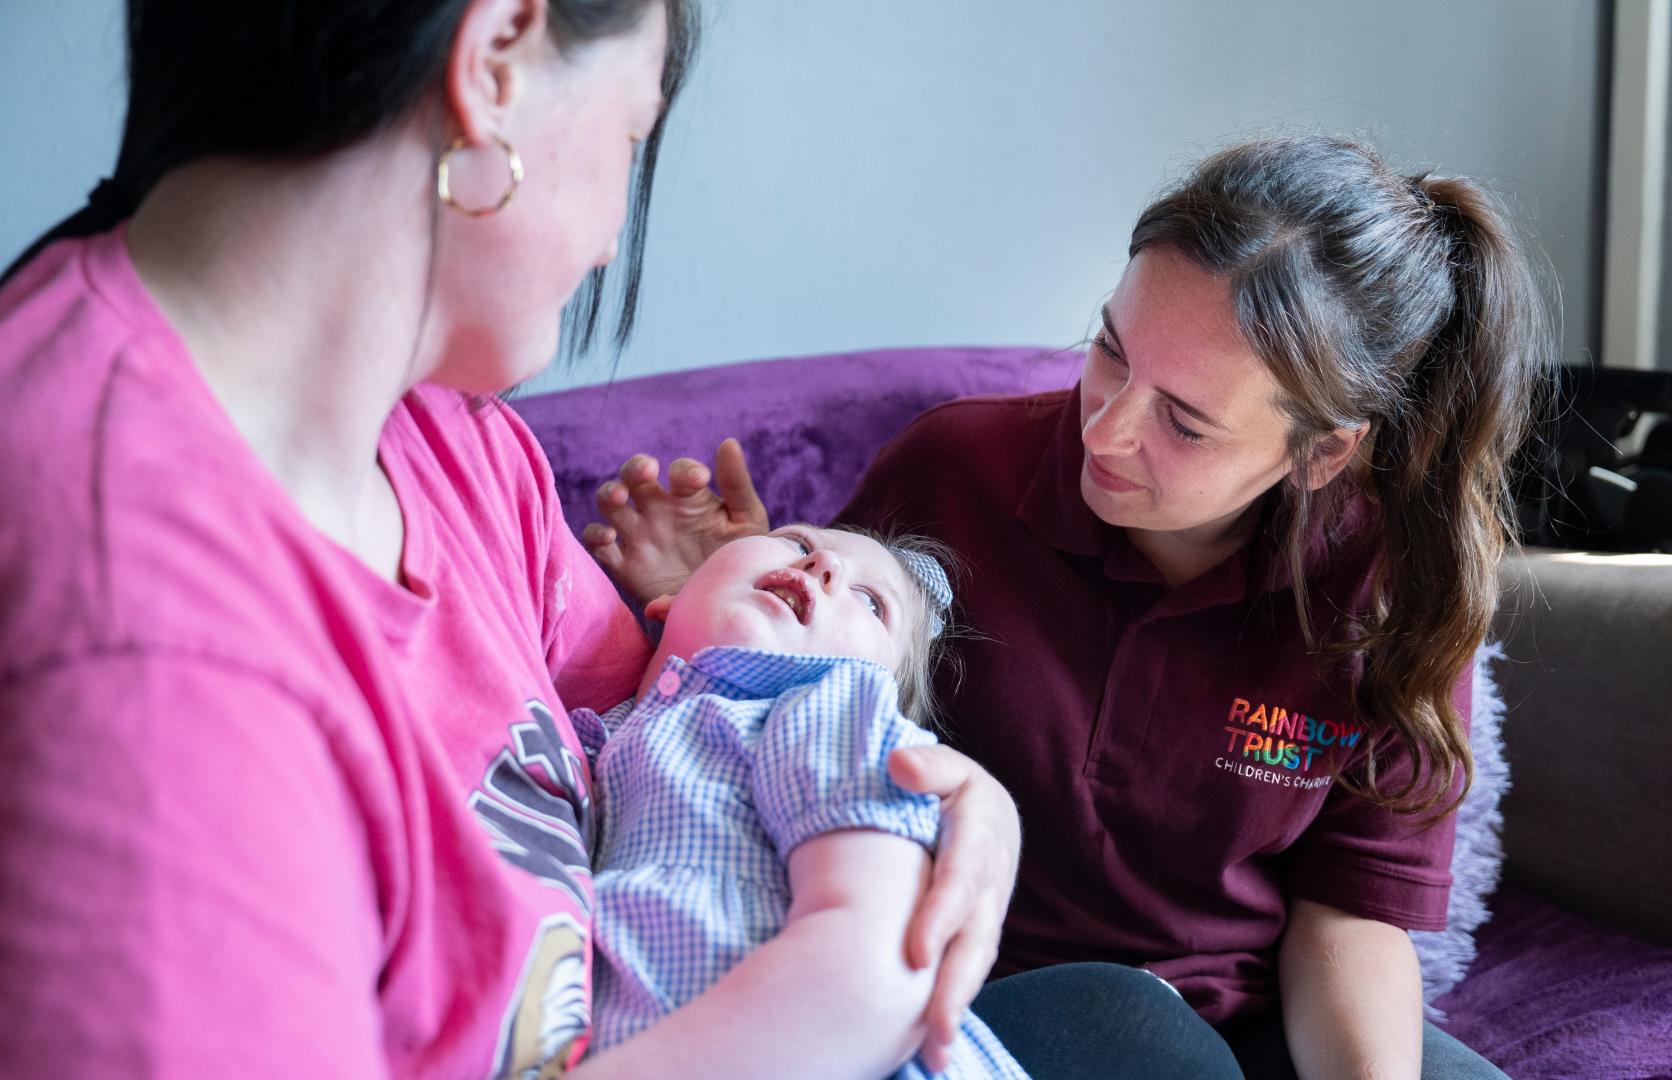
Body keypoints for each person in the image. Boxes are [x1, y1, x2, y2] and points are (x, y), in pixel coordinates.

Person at [0, 3, 1027, 1077]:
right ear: (494, 58)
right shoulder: (140, 646)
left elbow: (692, 711)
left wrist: (944, 791)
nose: (612, 239)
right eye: (633, 137)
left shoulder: (453, 437)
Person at [586, 134, 1551, 1080]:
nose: (1108, 426)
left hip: (1247, 1014)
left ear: (1321, 454)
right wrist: (730, 583)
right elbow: (794, 715)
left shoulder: (1389, 594)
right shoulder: (953, 471)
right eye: (1109, 349)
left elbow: (1347, 916)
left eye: (1184, 420)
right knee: (1124, 1024)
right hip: (997, 1008)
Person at [576, 523, 1028, 1078]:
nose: (825, 565)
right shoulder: (588, 736)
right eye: (798, 543)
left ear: (884, 693)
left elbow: (876, 973)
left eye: (871, 604)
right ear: (668, 599)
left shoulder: (828, 711)